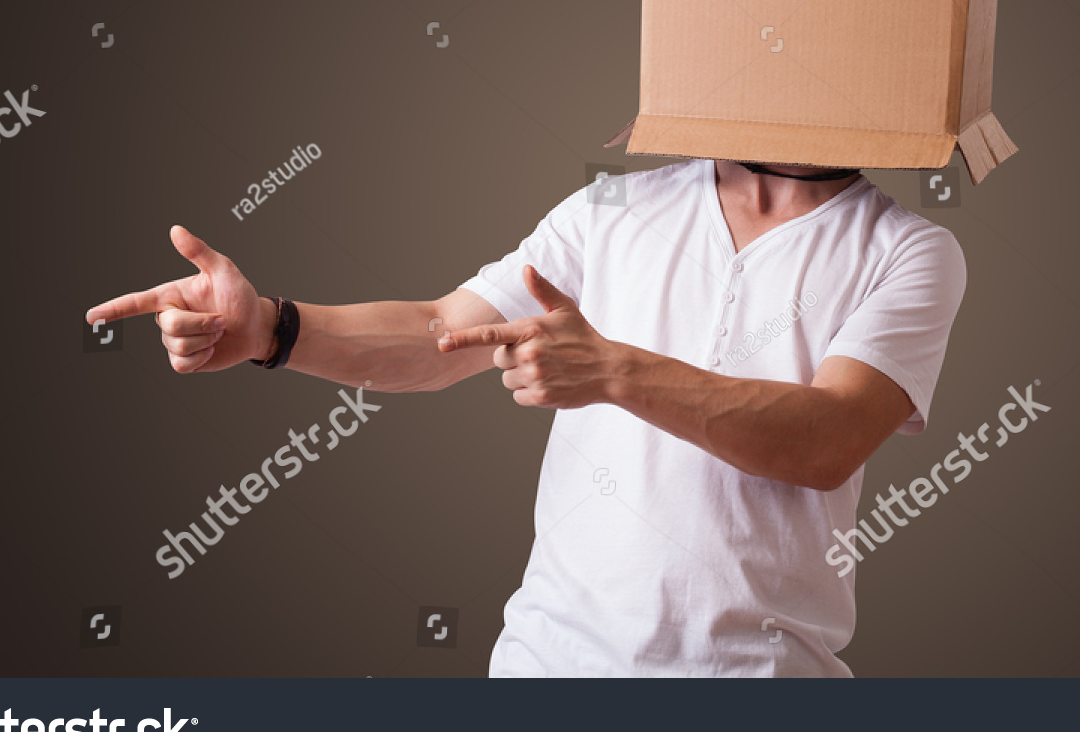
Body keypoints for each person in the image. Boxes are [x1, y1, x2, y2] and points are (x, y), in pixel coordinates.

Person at [85, 155, 966, 676]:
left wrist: (616, 370)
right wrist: (276, 328)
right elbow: (441, 333)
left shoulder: (909, 249)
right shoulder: (616, 205)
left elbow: (829, 436)